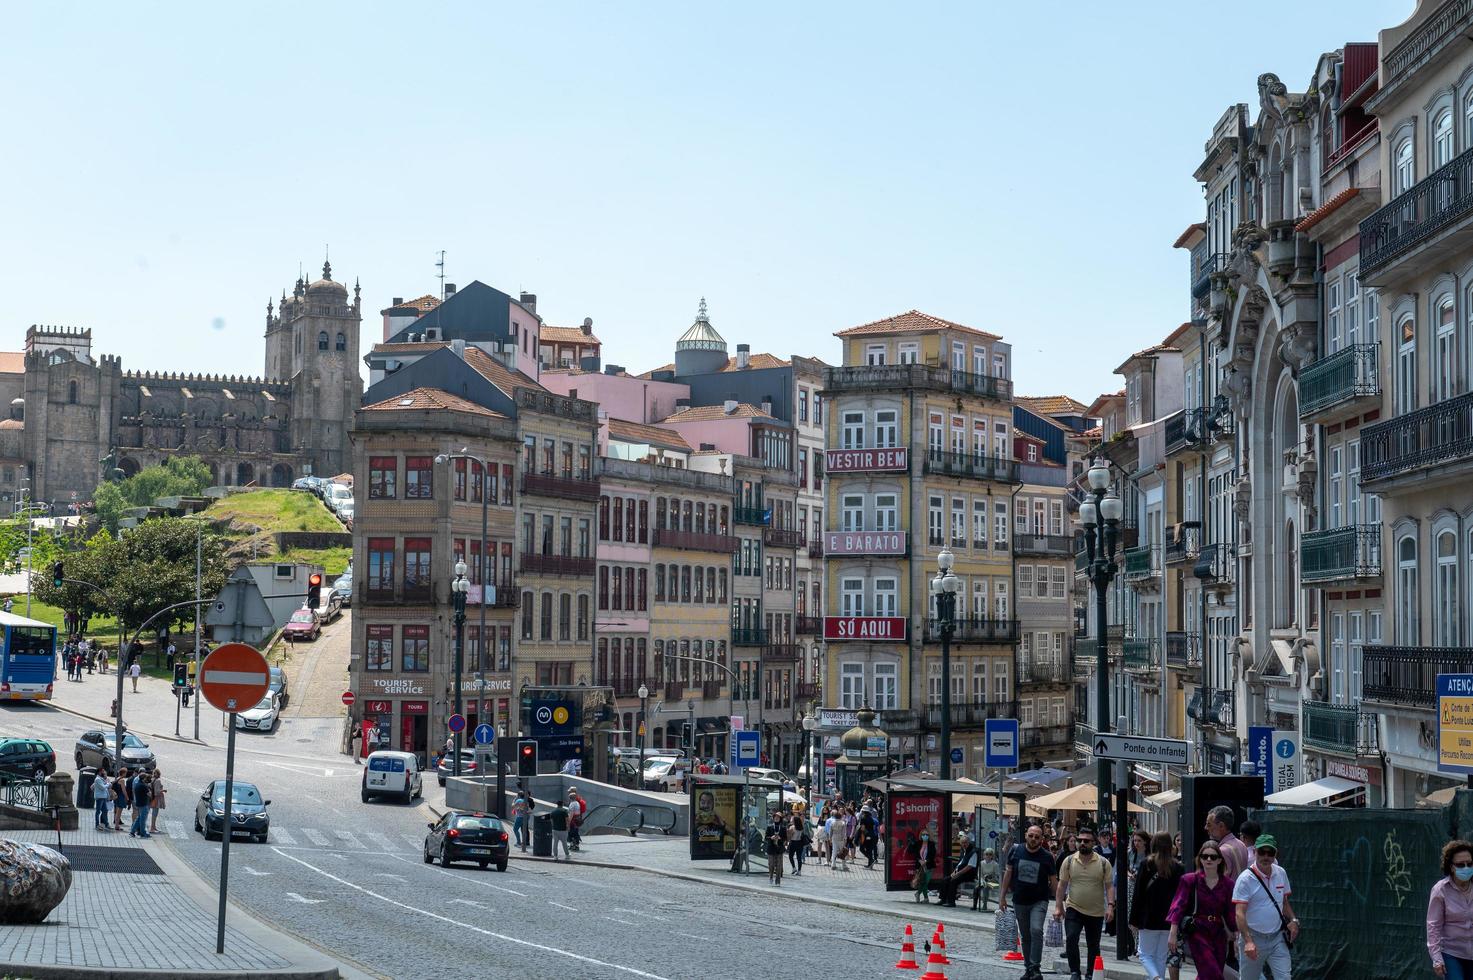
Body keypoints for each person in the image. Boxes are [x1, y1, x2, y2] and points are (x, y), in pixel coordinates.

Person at [1168, 839, 1237, 980]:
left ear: (1219, 860)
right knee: (1213, 973)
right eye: (1205, 856)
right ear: (1200, 859)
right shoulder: (1189, 880)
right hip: (1198, 930)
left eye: (1213, 857)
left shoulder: (1228, 884)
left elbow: (1230, 912)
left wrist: (1236, 936)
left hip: (1219, 933)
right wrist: (1173, 933)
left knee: (1211, 972)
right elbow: (1178, 906)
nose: (1209, 859)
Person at [1232, 833, 1297, 980]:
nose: (1266, 856)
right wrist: (1248, 941)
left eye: (1270, 852)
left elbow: (1284, 902)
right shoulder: (1245, 879)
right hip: (1253, 937)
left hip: (1277, 937)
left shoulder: (1281, 873)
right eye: (1262, 852)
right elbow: (1239, 913)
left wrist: (1293, 920)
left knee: (1285, 977)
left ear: (1275, 854)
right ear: (1254, 852)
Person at [1000, 823, 1059, 980]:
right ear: (1026, 835)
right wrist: (1002, 897)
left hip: (1039, 900)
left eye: (1037, 837)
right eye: (1031, 836)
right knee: (1025, 936)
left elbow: (1054, 881)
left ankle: (1035, 967)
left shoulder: (1047, 857)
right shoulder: (1015, 850)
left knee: (1036, 930)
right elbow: (1008, 874)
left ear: (1041, 839)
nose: (1033, 839)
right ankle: (1028, 968)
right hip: (1019, 900)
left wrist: (1059, 905)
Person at [1056, 824, 1114, 980]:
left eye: (1086, 841)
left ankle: (1090, 973)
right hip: (1074, 907)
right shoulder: (1069, 861)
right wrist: (1058, 906)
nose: (1082, 843)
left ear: (1093, 843)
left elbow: (1109, 886)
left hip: (1096, 910)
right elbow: (1062, 885)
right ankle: (1075, 971)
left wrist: (1110, 906)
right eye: (1080, 840)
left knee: (1093, 944)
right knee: (1072, 937)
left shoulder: (1103, 863)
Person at [1130, 832, 1184, 980]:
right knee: (1160, 957)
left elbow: (1138, 894)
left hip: (1148, 918)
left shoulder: (1146, 864)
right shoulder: (1178, 868)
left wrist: (1133, 919)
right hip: (1168, 919)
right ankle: (1158, 976)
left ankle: (1156, 978)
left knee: (1144, 954)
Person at [1427, 838, 1473, 979]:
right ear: (1451, 867)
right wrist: (1436, 958)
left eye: (1469, 863)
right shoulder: (1440, 890)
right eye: (1460, 864)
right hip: (1451, 953)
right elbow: (1433, 926)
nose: (1466, 867)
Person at [1205, 805, 1251, 880]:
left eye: (1209, 824)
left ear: (1221, 826)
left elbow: (1220, 884)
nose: (1206, 828)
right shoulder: (1241, 844)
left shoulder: (1223, 851)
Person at [938, 836, 978, 907]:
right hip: (960, 872)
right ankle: (943, 899)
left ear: (969, 842)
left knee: (953, 881)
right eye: (962, 843)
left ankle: (951, 902)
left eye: (965, 842)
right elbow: (960, 863)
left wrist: (958, 874)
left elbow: (970, 866)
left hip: (969, 874)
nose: (964, 844)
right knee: (945, 880)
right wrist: (954, 873)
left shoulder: (973, 852)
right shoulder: (963, 850)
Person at [909, 830, 936, 903]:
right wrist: (920, 860)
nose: (925, 836)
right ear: (921, 835)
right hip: (920, 866)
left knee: (926, 882)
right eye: (923, 834)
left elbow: (933, 854)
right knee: (922, 881)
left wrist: (926, 861)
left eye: (926, 834)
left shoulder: (931, 844)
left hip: (929, 865)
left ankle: (918, 894)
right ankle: (926, 899)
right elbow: (914, 853)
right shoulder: (918, 843)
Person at [128, 771, 153, 838]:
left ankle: (132, 831)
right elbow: (150, 794)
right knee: (142, 819)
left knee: (139, 818)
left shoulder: (137, 784)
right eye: (145, 778)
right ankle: (143, 833)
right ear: (143, 778)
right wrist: (149, 789)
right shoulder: (143, 786)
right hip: (144, 804)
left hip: (139, 803)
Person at [975, 847, 1000, 911]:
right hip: (982, 880)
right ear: (984, 855)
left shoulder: (995, 864)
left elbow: (997, 875)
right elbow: (979, 874)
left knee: (986, 887)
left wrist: (991, 878)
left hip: (993, 882)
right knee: (977, 887)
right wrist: (982, 881)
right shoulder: (981, 863)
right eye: (986, 854)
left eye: (990, 854)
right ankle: (974, 905)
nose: (988, 856)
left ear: (992, 855)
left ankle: (984, 904)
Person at [765, 817, 786, 886]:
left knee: (779, 865)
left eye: (778, 818)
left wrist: (780, 838)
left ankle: (778, 881)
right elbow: (766, 837)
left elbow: (785, 838)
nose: (776, 819)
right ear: (773, 819)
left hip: (779, 848)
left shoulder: (783, 828)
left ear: (780, 819)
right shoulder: (769, 827)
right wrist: (771, 837)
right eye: (775, 817)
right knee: (771, 864)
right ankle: (771, 876)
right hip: (771, 848)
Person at [148, 768, 166, 833]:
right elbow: (157, 792)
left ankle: (154, 827)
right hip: (157, 799)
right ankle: (152, 828)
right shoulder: (158, 781)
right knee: (155, 813)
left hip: (152, 798)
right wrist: (163, 790)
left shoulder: (152, 780)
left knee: (154, 813)